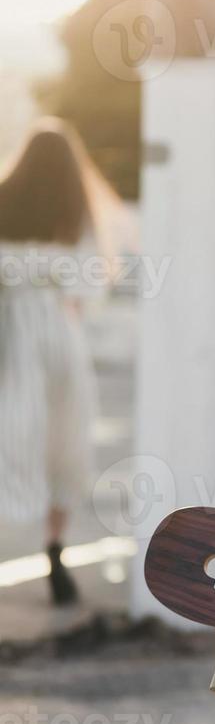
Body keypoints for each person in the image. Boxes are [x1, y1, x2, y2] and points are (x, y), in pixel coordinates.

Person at [0, 117, 117, 606]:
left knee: (12, 433)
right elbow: (88, 288)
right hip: (59, 336)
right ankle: (55, 550)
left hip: (9, 334)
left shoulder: (4, 202)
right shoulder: (76, 215)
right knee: (63, 442)